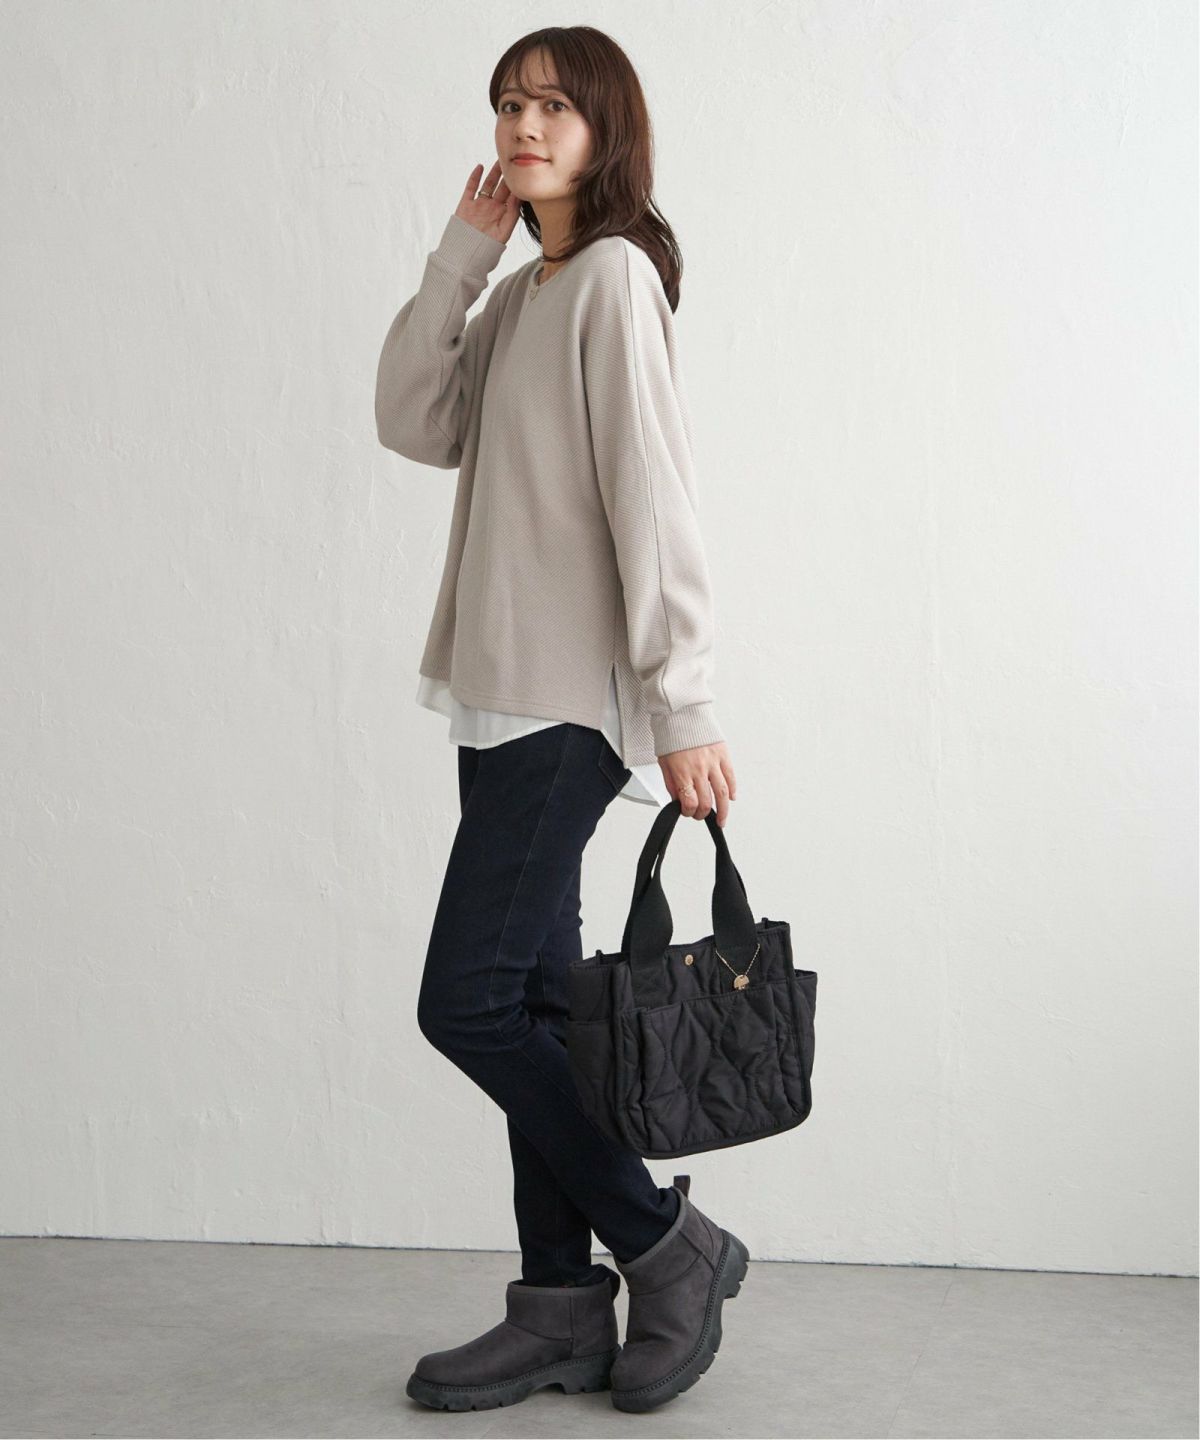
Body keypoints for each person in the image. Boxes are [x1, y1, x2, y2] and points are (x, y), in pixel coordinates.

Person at [374, 26, 749, 1415]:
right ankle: (559, 1310)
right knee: (532, 1005)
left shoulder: (612, 281)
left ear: (604, 127)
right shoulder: (528, 290)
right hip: (494, 699)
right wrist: (461, 263)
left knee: (463, 1002)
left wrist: (682, 701)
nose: (524, 125)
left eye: (551, 104)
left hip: (567, 706)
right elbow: (414, 421)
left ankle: (666, 1243)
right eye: (507, 104)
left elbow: (656, 497)